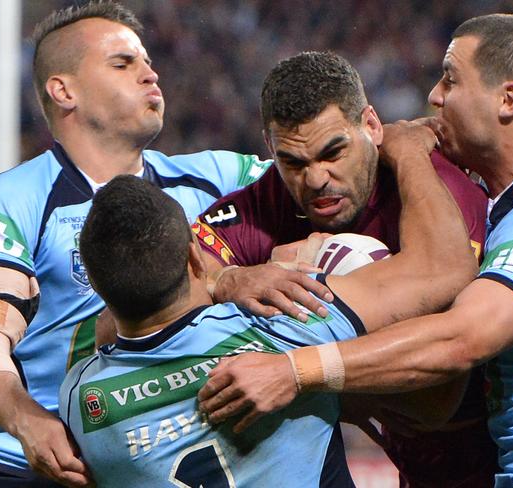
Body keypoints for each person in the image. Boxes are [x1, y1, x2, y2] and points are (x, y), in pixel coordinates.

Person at [199, 14, 513, 488]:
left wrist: (295, 371)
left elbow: (459, 340)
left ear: (508, 100)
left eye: (451, 78)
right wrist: (227, 279)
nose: (433, 96)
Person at [60, 114, 462, 486]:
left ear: (96, 286)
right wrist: (408, 151)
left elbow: (105, 333)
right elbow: (443, 268)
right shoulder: (283, 323)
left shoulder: (80, 402)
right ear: (194, 256)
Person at [0, 2, 281, 486]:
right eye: (123, 64)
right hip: (35, 466)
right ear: (65, 91)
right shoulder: (12, 202)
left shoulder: (215, 179)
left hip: (164, 454)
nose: (150, 74)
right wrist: (27, 423)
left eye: (147, 62)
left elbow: (331, 174)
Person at [194, 51, 496, 487]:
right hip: (418, 464)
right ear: (270, 149)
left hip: (505, 454)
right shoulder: (268, 201)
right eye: (294, 163)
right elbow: (169, 279)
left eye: (333, 152)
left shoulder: (435, 188)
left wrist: (308, 376)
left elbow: (438, 395)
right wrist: (226, 278)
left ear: (371, 126)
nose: (316, 179)